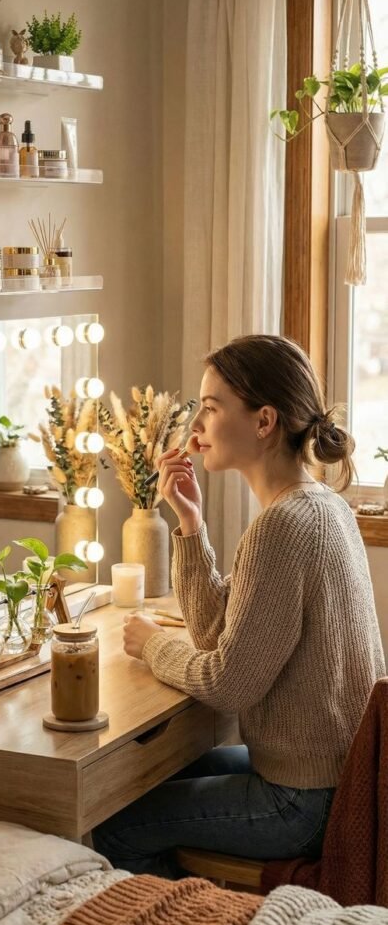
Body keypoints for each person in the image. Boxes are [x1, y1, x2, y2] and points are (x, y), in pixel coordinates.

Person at [93, 334, 385, 878]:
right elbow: (215, 636)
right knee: (147, 782)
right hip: (333, 783)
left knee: (116, 827)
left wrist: (153, 645)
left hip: (304, 803)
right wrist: (189, 523)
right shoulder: (322, 508)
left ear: (264, 421)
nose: (196, 428)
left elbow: (229, 683)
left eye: (210, 408)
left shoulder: (283, 527)